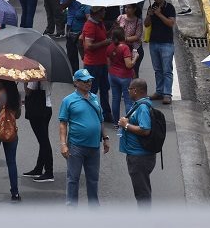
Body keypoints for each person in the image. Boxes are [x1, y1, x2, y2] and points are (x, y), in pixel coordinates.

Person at [59, 69, 110, 206]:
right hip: (76, 146)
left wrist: (105, 138)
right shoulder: (68, 101)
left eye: (90, 80)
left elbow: (100, 120)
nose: (89, 83)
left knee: (93, 179)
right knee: (73, 178)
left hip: (94, 146)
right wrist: (63, 144)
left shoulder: (94, 98)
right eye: (85, 81)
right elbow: (63, 124)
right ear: (76, 82)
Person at [117, 78, 155, 207]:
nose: (128, 91)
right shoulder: (140, 104)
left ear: (135, 90)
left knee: (142, 193)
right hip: (137, 155)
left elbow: (145, 130)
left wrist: (126, 125)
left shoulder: (143, 107)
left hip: (140, 157)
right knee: (141, 190)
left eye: (129, 89)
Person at [145, 0, 177, 104]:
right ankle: (159, 91)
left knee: (167, 70)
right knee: (158, 69)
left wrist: (159, 14)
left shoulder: (169, 7)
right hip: (154, 42)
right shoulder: (151, 7)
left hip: (166, 43)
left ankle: (167, 94)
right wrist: (149, 15)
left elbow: (171, 23)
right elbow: (146, 24)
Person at [82, 5, 112, 122]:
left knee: (104, 88)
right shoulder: (90, 26)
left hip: (102, 62)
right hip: (92, 64)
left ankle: (106, 114)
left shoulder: (100, 23)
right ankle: (91, 115)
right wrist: (105, 43)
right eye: (103, 10)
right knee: (92, 90)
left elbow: (103, 37)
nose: (105, 11)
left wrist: (111, 30)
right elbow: (88, 45)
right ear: (98, 12)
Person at [22, 80, 53, 182]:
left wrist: (25, 82)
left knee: (44, 142)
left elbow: (28, 91)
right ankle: (39, 168)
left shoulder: (36, 75)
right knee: (43, 140)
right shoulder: (48, 73)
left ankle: (49, 172)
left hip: (38, 109)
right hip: (47, 106)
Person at [107, 27, 139, 123]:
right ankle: (128, 123)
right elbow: (129, 65)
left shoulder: (109, 47)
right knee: (128, 100)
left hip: (112, 75)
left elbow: (108, 63)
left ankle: (116, 122)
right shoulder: (125, 48)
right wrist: (135, 57)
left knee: (115, 99)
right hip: (124, 76)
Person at [118, 4, 144, 78]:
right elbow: (116, 30)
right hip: (121, 48)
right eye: (125, 7)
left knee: (134, 72)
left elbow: (137, 36)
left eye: (129, 7)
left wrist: (124, 39)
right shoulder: (120, 18)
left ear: (134, 9)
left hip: (134, 49)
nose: (126, 9)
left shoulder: (138, 21)